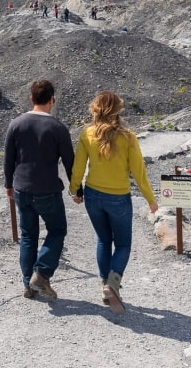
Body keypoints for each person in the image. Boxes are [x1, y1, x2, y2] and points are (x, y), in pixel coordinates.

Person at [68, 91, 158, 309]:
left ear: (95, 108)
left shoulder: (87, 133)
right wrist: (151, 200)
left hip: (92, 195)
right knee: (124, 244)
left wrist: (74, 190)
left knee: (103, 240)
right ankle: (113, 283)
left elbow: (78, 167)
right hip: (118, 197)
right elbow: (139, 172)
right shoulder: (128, 137)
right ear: (118, 110)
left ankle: (105, 285)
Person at [4, 79, 74, 300]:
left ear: (31, 98)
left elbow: (9, 159)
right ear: (52, 100)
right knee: (57, 230)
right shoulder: (58, 128)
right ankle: (41, 273)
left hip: (21, 189)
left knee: (27, 236)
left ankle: (28, 284)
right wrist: (76, 189)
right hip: (48, 190)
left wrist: (8, 185)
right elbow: (70, 162)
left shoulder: (16, 124)